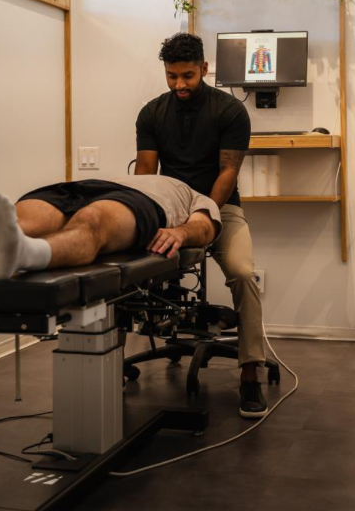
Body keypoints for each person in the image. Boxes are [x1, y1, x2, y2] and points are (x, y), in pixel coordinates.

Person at [135, 32, 268, 419]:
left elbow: (228, 173)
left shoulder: (230, 111)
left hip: (221, 207)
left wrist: (203, 216)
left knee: (244, 274)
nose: (180, 84)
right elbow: (146, 173)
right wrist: (151, 220)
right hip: (171, 208)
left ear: (204, 69)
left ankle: (250, 373)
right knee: (132, 268)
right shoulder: (151, 113)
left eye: (188, 76)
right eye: (172, 76)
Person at [0, 175, 221, 281]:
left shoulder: (194, 193)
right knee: (19, 220)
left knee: (92, 223)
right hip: (80, 184)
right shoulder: (139, 167)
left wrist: (181, 233)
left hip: (143, 203)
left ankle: (25, 253)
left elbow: (204, 228)